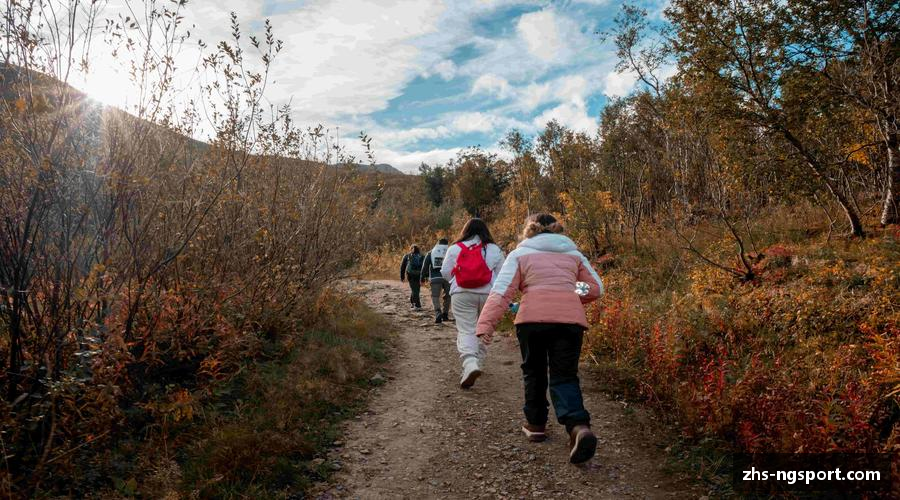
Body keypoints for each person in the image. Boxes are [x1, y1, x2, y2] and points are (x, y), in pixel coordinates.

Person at [475, 213, 604, 465]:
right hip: (569, 322)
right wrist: (569, 291)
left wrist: (486, 324)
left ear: (528, 230)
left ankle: (535, 425)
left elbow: (502, 292)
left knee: (533, 371)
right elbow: (595, 288)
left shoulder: (519, 255)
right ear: (559, 231)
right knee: (564, 375)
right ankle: (578, 427)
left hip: (531, 321)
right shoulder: (574, 255)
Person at [440, 218, 504, 389]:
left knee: (466, 329)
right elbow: (502, 275)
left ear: (465, 231)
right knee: (484, 329)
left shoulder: (455, 248)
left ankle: (470, 363)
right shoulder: (494, 249)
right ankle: (478, 361)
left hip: (461, 293)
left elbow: (445, 272)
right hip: (488, 294)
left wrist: (457, 278)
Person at [420, 238, 452, 324]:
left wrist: (422, 278)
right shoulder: (450, 252)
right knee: (448, 296)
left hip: (435, 278)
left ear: (437, 243)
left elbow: (425, 267)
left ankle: (438, 312)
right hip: (447, 278)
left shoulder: (431, 253)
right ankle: (445, 314)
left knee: (435, 296)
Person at [399, 245, 424, 309]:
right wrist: (424, 276)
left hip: (410, 275)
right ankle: (413, 303)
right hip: (419, 275)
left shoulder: (407, 256)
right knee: (416, 289)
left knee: (414, 290)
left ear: (411, 249)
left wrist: (402, 277)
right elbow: (425, 267)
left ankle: (417, 305)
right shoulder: (422, 256)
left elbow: (402, 267)